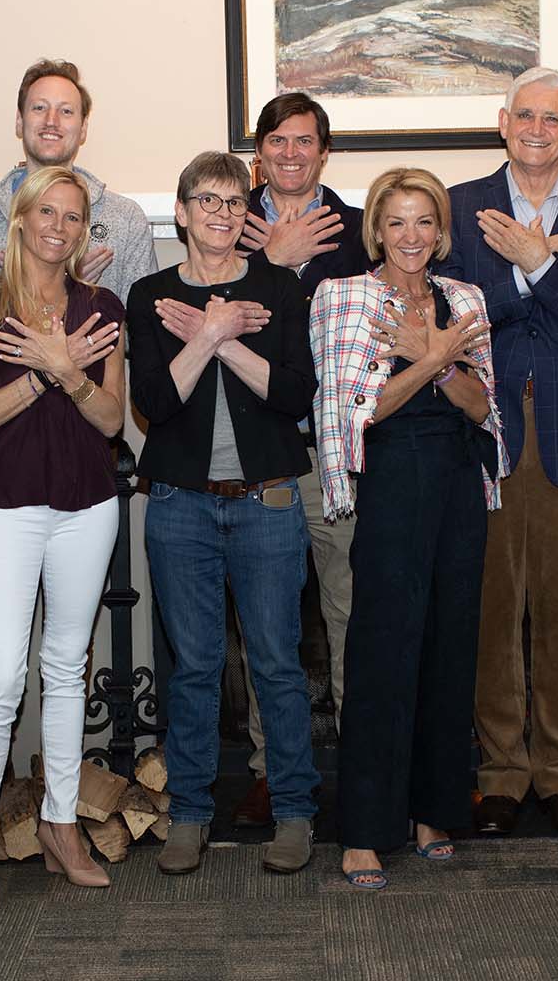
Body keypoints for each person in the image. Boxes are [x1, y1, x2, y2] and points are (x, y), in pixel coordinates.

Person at [438, 66, 558, 837]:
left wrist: (537, 262)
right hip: (484, 434)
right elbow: (454, 316)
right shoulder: (455, 209)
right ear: (502, 120)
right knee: (491, 614)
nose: (538, 128)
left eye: (553, 118)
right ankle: (501, 777)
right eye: (525, 114)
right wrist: (539, 273)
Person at [309, 167, 504, 890]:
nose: (411, 236)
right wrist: (430, 357)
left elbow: (482, 409)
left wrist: (443, 356)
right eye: (397, 222)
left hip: (457, 480)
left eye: (425, 221)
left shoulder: (466, 299)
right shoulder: (342, 297)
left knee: (450, 647)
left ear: (441, 231)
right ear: (376, 231)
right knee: (381, 651)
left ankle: (434, 810)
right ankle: (363, 829)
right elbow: (359, 411)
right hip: (390, 480)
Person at [127, 151, 318, 876]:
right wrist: (208, 334)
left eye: (235, 202)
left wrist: (222, 337)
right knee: (196, 668)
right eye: (207, 200)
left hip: (268, 502)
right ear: (180, 212)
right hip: (180, 508)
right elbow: (155, 403)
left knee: (277, 665)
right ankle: (190, 816)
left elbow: (294, 395)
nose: (221, 213)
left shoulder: (278, 288)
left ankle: (296, 812)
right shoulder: (148, 296)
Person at [0, 166, 126, 917]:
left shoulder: (102, 305)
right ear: (19, 219)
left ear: (87, 230)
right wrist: (45, 372)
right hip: (8, 508)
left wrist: (75, 376)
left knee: (65, 668)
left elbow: (114, 421)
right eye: (46, 210)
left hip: (89, 506)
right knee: (1, 679)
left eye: (74, 215)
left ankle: (60, 824)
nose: (60, 224)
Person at [230, 91, 370, 828]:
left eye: (304, 141)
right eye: (277, 141)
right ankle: (268, 771)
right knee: (268, 627)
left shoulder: (357, 229)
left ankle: (362, 771)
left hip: (337, 451)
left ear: (324, 151)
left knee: (350, 615)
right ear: (261, 151)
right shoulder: (227, 220)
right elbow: (220, 319)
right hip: (259, 452)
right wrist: (274, 264)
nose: (290, 153)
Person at [0, 59, 156, 303]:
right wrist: (53, 282)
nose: (52, 120)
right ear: (19, 121)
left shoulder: (126, 220)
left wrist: (76, 290)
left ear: (83, 128)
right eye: (39, 108)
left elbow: (138, 329)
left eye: (66, 111)